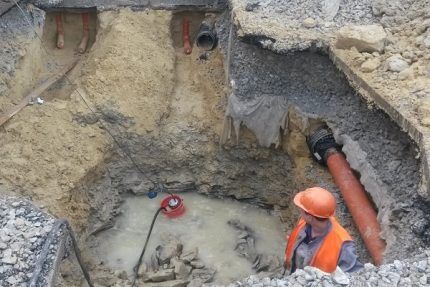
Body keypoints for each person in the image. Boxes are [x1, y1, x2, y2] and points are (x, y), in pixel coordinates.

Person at [284, 187, 363, 274]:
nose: (300, 211)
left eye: (302, 210)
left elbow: (355, 276)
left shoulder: (343, 245)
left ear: (309, 217)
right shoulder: (304, 222)